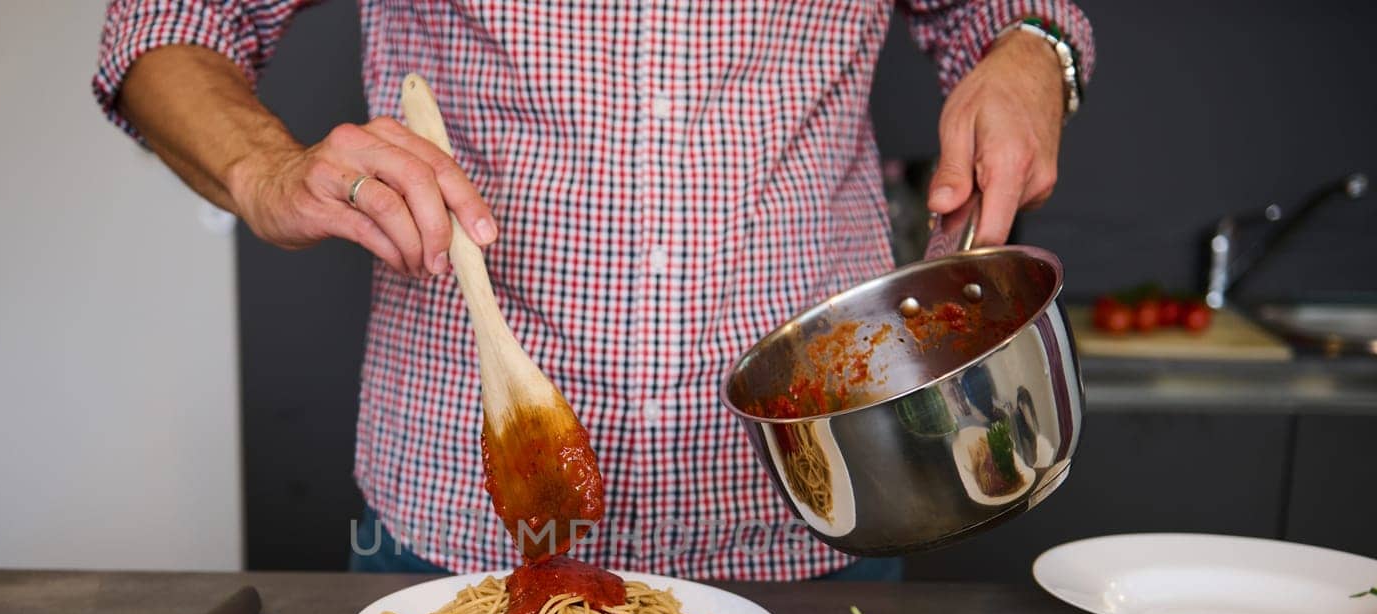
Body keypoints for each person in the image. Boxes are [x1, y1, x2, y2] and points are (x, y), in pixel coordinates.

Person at [95, 1, 1093, 581]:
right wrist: (264, 172)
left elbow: (1004, 9)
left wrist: (1031, 52)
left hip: (814, 517)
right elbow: (169, 19)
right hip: (457, 528)